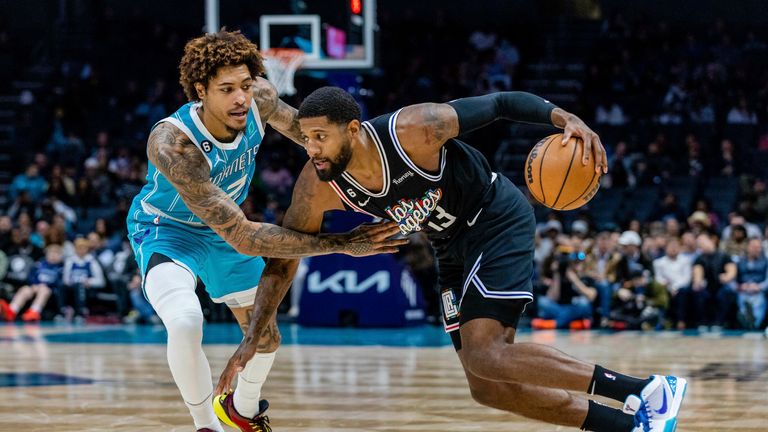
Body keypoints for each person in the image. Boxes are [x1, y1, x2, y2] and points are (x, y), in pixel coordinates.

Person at [216, 87, 688, 431]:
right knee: (486, 386)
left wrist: (563, 118)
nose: (312, 149)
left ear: (354, 130)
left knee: (488, 351)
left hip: (494, 216)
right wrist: (253, 336)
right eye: (306, 139)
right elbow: (283, 259)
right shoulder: (317, 185)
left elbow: (501, 105)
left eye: (320, 137)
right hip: (448, 248)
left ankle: (644, 391)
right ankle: (628, 426)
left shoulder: (414, 129)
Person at [126, 32, 404, 432]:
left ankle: (242, 408)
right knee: (186, 321)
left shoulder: (261, 99)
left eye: (244, 85)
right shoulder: (174, 144)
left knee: (266, 334)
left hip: (224, 227)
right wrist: (342, 244)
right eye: (226, 90)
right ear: (201, 91)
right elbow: (242, 236)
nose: (241, 97)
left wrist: (378, 176)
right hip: (167, 231)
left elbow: (313, 141)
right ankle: (206, 424)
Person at [0, 244, 64, 322]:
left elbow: (60, 282)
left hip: (51, 290)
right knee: (25, 289)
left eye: (56, 254)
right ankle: (12, 310)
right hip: (36, 286)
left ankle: (34, 311)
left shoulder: (61, 268)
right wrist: (34, 285)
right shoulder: (40, 264)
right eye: (51, 253)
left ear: (61, 256)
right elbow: (32, 276)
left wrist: (46, 285)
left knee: (44, 290)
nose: (53, 256)